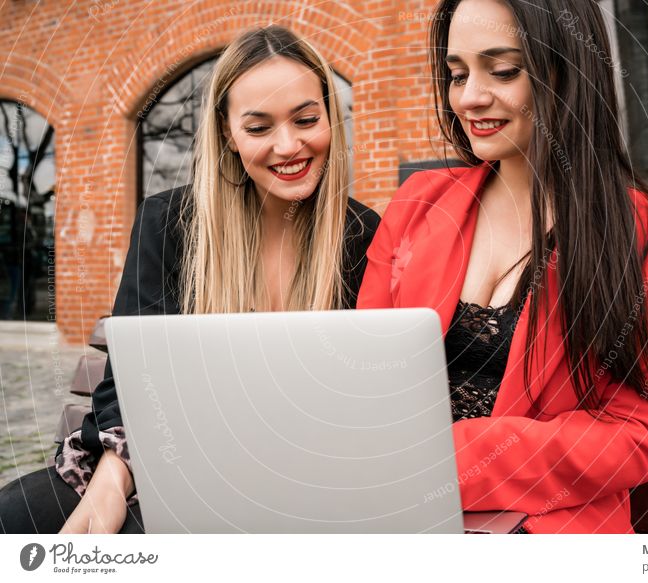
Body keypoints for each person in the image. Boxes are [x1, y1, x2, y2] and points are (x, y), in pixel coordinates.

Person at [0, 25, 380, 534]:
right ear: (227, 132)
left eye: (307, 119)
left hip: (298, 478)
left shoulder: (366, 236)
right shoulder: (167, 222)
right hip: (168, 459)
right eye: (258, 127)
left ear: (331, 117)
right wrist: (113, 477)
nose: (288, 145)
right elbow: (131, 375)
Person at [357, 0, 648, 533]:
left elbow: (634, 436)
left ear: (567, 70)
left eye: (503, 70)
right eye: (456, 74)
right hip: (394, 519)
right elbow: (364, 385)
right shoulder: (417, 205)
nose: (469, 97)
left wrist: (440, 460)